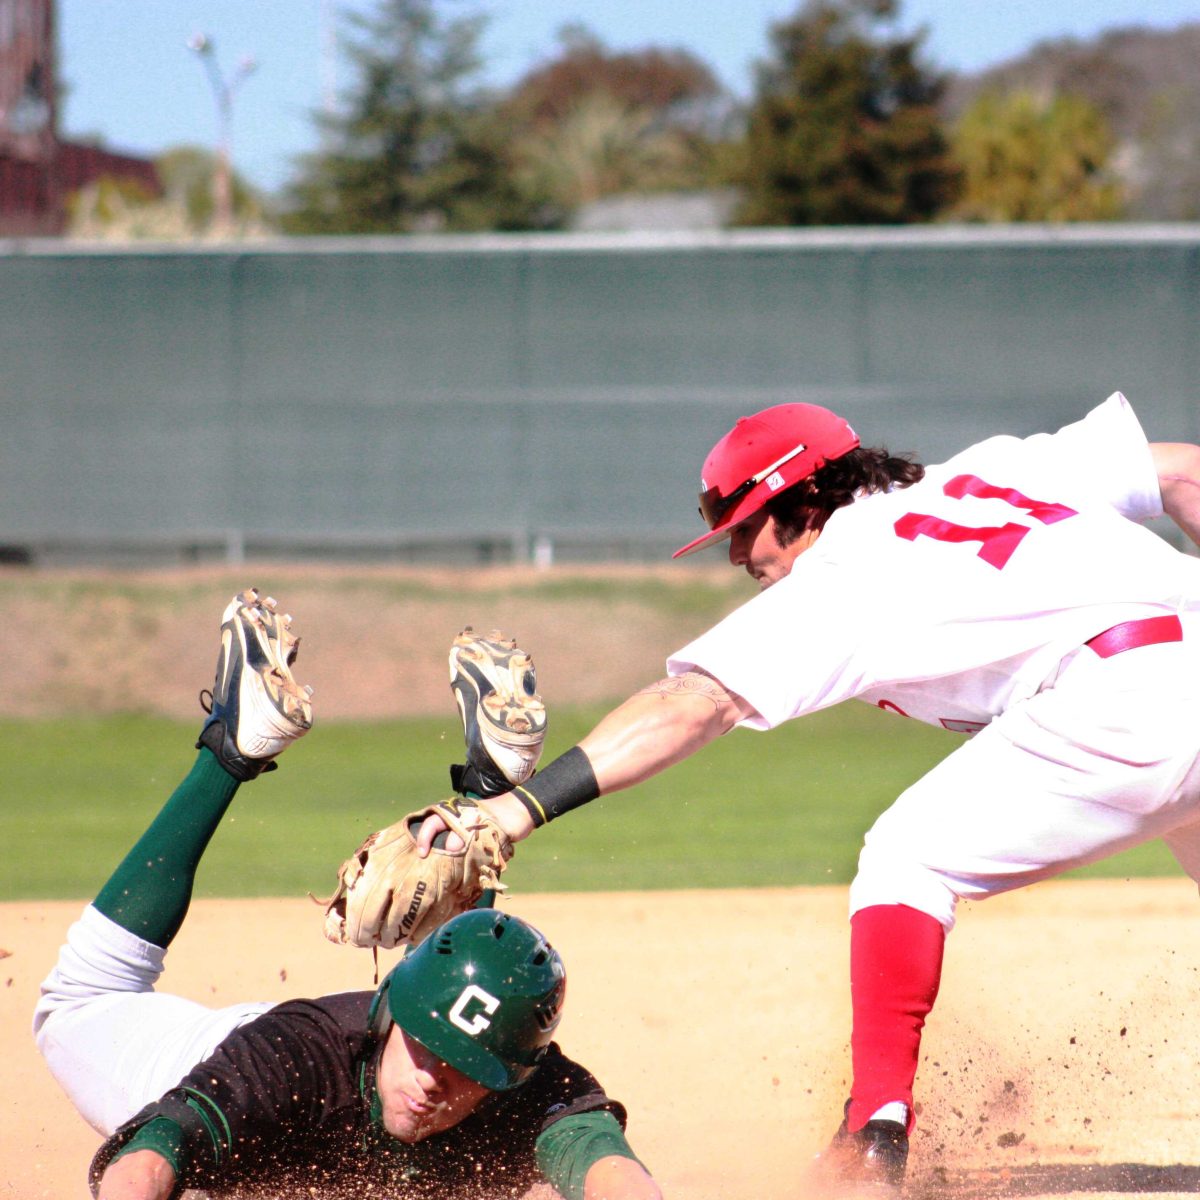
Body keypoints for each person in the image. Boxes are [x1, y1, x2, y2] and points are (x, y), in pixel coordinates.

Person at [418, 391, 1200, 1191]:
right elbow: (1181, 473)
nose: (735, 557)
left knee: (907, 859)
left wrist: (513, 810)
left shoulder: (844, 572)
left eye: (746, 524)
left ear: (804, 496)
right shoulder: (988, 470)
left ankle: (874, 1133)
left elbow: (693, 706)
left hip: (1126, 700)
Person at [35, 589, 663, 1200]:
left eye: (462, 1070)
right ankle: (228, 753)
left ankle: (485, 799)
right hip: (239, 1068)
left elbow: (614, 1173)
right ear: (386, 1010)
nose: (430, 1081)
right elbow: (142, 1166)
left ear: (506, 1079)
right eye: (423, 1046)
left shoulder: (524, 1077)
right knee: (78, 1004)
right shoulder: (286, 1061)